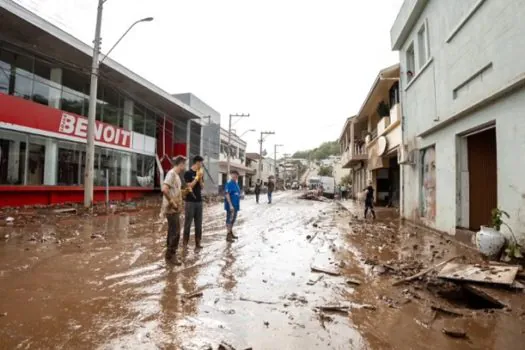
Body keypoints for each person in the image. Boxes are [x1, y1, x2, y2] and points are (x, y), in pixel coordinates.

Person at [161, 156, 186, 265]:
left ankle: (168, 255)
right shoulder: (171, 174)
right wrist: (172, 202)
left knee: (172, 231)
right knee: (176, 232)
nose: (184, 166)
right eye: (184, 164)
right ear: (180, 164)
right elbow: (164, 189)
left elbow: (175, 191)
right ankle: (172, 255)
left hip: (175, 208)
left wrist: (185, 192)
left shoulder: (177, 176)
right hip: (171, 208)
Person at [183, 155, 205, 250]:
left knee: (199, 224)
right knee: (188, 223)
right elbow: (189, 186)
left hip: (199, 201)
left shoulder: (200, 173)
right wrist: (196, 178)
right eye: (201, 163)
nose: (202, 164)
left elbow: (202, 187)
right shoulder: (188, 173)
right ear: (197, 162)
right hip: (190, 202)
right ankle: (185, 244)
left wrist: (200, 178)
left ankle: (198, 243)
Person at [224, 170, 241, 242]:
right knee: (229, 220)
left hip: (236, 205)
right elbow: (227, 194)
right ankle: (228, 236)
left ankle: (231, 233)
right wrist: (230, 205)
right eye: (234, 175)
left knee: (233, 220)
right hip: (231, 205)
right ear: (231, 175)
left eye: (236, 175)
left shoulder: (236, 184)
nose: (235, 176)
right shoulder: (229, 183)